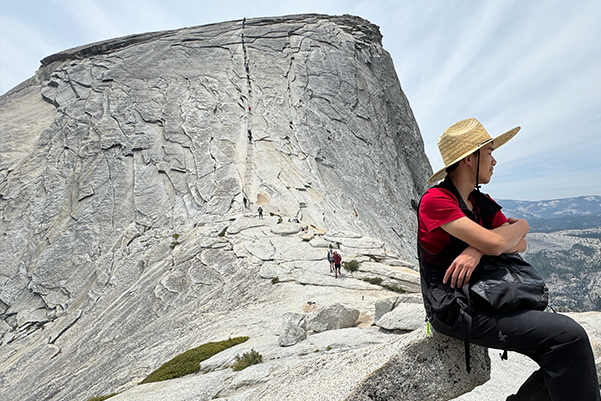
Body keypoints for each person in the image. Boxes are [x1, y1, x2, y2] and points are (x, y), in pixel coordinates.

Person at [418, 118, 599, 401]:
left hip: (485, 298)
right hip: (455, 309)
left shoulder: (479, 202)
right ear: (469, 158)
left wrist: (480, 247)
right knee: (569, 336)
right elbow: (499, 241)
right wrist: (494, 240)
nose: (494, 160)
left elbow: (519, 242)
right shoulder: (437, 200)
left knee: (564, 349)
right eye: (489, 152)